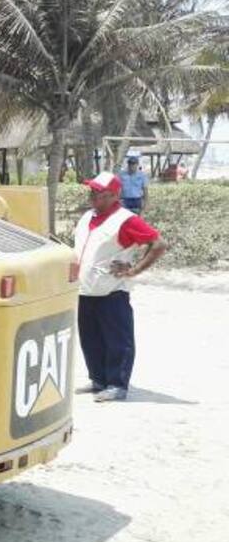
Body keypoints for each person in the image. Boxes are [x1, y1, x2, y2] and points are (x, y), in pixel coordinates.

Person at [73, 172, 167, 402]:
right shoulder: (88, 216)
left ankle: (117, 384)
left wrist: (133, 270)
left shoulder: (126, 220)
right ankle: (98, 379)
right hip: (85, 290)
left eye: (98, 192)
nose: (92, 196)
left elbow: (159, 244)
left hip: (112, 290)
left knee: (117, 339)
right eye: (91, 191)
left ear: (114, 196)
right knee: (90, 337)